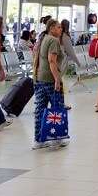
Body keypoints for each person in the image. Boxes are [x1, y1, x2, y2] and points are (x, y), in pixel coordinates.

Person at [33, 18, 67, 149]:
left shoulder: (42, 39)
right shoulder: (53, 40)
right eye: (58, 27)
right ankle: (56, 138)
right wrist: (57, 79)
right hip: (51, 80)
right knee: (56, 109)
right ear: (51, 28)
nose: (61, 29)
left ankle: (39, 139)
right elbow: (52, 61)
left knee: (40, 109)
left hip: (39, 78)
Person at [60, 20, 78, 110]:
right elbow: (70, 51)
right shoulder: (65, 36)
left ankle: (59, 103)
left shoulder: (59, 35)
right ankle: (61, 104)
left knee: (59, 83)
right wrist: (78, 62)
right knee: (61, 84)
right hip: (63, 62)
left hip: (59, 61)